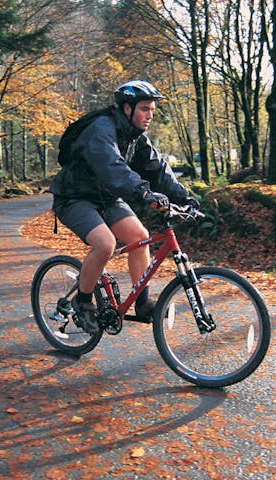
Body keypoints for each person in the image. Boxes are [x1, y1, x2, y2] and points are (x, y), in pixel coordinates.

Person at [49, 80, 198, 334]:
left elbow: (158, 169)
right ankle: (82, 303)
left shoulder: (135, 136)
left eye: (152, 109)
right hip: (74, 197)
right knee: (105, 244)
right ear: (127, 109)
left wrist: (186, 199)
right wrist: (143, 192)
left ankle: (142, 303)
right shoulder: (101, 129)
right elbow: (112, 167)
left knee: (141, 237)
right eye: (144, 109)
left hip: (106, 197)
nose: (149, 115)